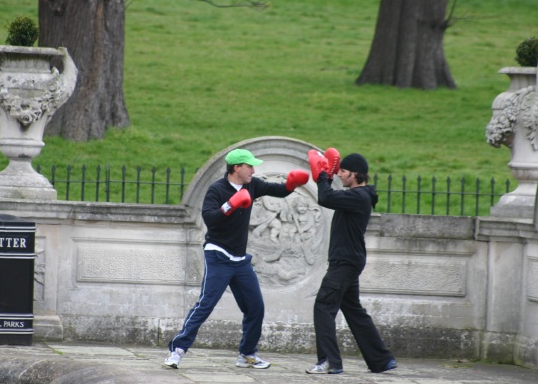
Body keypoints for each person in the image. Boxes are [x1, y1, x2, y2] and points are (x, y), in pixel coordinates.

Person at [164, 148, 309, 369]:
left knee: (255, 307)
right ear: (236, 168)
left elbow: (278, 191)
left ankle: (247, 354)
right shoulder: (217, 190)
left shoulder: (252, 185)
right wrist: (230, 204)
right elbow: (210, 219)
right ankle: (177, 351)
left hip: (240, 260)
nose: (253, 169)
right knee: (206, 304)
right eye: (249, 166)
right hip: (218, 255)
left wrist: (291, 185)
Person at [305, 151, 397, 375]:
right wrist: (327, 176)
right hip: (349, 261)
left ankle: (330, 361)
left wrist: (323, 176)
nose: (340, 175)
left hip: (344, 263)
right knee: (353, 309)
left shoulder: (358, 197)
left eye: (343, 172)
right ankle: (381, 360)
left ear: (355, 174)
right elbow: (331, 197)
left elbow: (325, 198)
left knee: (323, 306)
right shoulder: (358, 196)